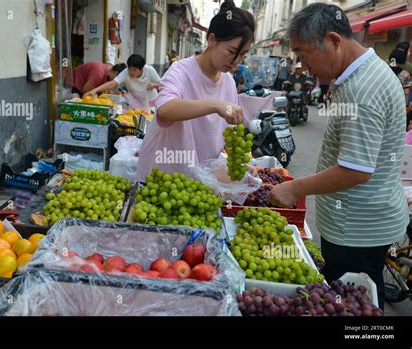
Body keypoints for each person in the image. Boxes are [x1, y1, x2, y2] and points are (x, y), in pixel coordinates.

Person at [268, 3, 408, 309]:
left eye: (304, 54)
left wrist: (294, 187)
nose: (303, 66)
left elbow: (356, 170)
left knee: (353, 305)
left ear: (333, 40)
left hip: (358, 229)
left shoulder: (363, 89)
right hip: (362, 223)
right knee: (357, 299)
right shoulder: (364, 74)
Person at [134, 0, 254, 182]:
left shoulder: (228, 82)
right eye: (232, 51)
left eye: (243, 54)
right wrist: (216, 105)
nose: (236, 60)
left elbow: (228, 135)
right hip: (162, 176)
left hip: (197, 181)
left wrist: (244, 161)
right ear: (212, 39)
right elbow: (165, 109)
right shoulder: (180, 71)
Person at [84, 54, 161, 108]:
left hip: (151, 102)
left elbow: (162, 84)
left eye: (134, 70)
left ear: (141, 69)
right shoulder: (126, 72)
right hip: (136, 102)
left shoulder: (149, 70)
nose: (131, 72)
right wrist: (95, 90)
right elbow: (112, 83)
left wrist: (154, 85)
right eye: (130, 68)